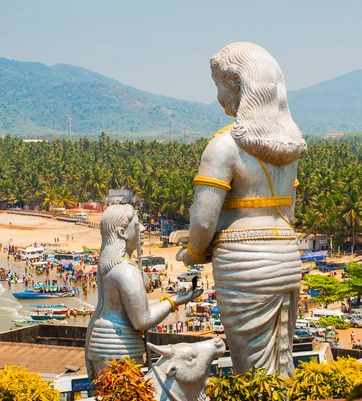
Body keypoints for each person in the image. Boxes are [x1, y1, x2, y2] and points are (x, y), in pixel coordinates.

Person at [177, 42, 306, 377]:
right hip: (286, 257)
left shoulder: (223, 146)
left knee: (248, 368)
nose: (218, 97)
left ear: (236, 85)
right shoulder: (289, 146)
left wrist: (193, 251)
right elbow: (289, 212)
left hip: (243, 264)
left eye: (219, 86)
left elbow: (204, 219)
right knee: (282, 360)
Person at [85, 205, 202, 379]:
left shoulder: (109, 265)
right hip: (119, 349)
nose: (144, 229)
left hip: (102, 342)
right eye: (138, 225)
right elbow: (142, 320)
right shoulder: (126, 270)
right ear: (122, 232)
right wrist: (173, 302)